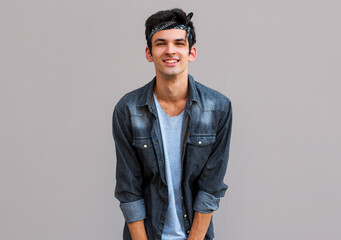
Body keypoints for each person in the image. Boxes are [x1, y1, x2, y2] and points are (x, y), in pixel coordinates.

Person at [112, 8, 233, 240]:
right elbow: (129, 190)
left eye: (179, 43)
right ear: (149, 53)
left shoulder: (218, 108)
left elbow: (211, 187)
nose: (170, 50)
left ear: (191, 52)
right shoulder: (127, 110)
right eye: (160, 43)